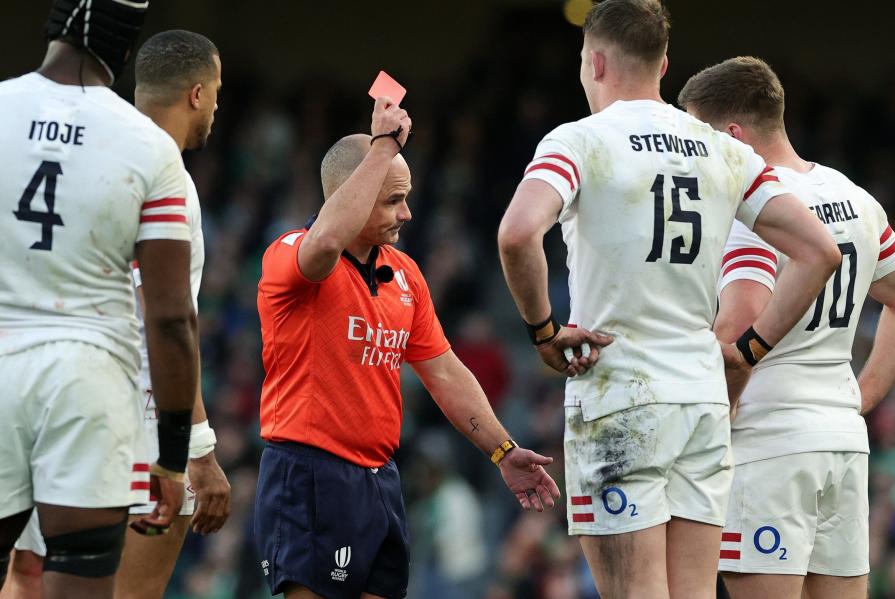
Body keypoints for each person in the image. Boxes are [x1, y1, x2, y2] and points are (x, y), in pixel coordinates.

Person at [496, 2, 843, 598]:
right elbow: (819, 252)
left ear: (597, 62)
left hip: (620, 395)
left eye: (584, 61)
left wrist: (544, 333)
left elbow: (517, 233)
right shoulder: (726, 151)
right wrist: (747, 351)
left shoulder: (580, 139)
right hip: (701, 398)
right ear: (664, 65)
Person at [253, 101, 561, 599]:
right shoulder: (290, 253)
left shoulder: (405, 275)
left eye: (407, 197)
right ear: (350, 195)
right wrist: (382, 147)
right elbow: (327, 239)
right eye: (393, 200)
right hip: (309, 474)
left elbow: (443, 372)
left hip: (380, 481)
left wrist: (502, 450)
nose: (407, 213)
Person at [677, 56, 895, 599]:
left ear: (732, 136)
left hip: (769, 446)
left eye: (697, 139)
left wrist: (702, 434)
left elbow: (739, 329)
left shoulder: (756, 211)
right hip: (841, 444)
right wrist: (855, 401)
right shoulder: (854, 198)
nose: (694, 157)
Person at [1, 29, 233, 599]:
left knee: (27, 574)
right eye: (220, 92)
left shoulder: (80, 152)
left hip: (31, 391)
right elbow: (168, 319)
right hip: (126, 416)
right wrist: (196, 448)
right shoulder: (166, 178)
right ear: (199, 95)